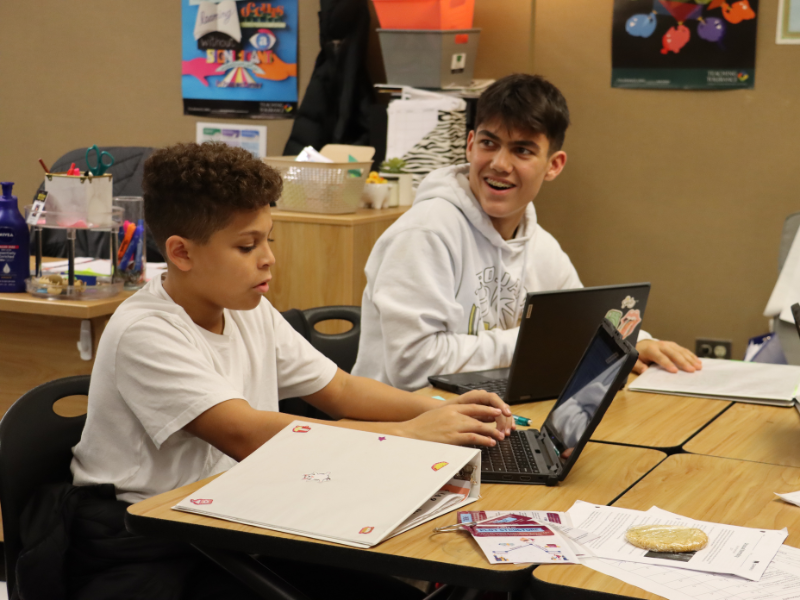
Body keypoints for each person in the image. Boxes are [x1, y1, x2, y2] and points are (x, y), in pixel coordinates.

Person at [62, 143, 513, 600]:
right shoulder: (145, 332)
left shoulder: (244, 305)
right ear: (181, 252)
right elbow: (244, 431)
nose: (268, 258)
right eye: (246, 245)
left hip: (224, 519)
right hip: (148, 546)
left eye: (267, 239)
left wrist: (445, 408)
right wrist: (410, 434)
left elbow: (339, 388)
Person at [352, 74, 701, 392]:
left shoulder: (539, 245)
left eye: (522, 150)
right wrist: (537, 343)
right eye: (489, 143)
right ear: (470, 145)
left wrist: (635, 342)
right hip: (397, 433)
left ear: (554, 165)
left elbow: (584, 326)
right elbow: (413, 367)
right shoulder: (425, 232)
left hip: (478, 419)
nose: (500, 164)